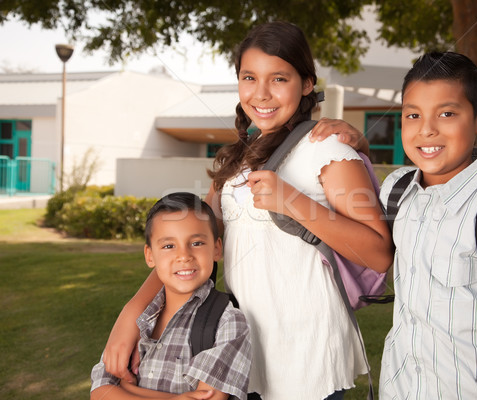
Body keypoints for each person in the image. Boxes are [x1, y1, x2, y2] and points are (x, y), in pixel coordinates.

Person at [100, 21, 394, 400]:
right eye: (249, 77)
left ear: (306, 84)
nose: (261, 93)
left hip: (306, 356)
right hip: (235, 349)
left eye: (279, 79)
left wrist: (294, 203)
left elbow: (379, 253)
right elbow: (191, 242)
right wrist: (131, 315)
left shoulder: (328, 148)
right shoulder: (236, 161)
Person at [314, 51, 477, 399]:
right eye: (413, 115)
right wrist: (362, 146)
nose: (427, 129)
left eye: (447, 113)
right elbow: (370, 240)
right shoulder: (399, 190)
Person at [90, 192, 251, 400]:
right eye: (168, 246)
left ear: (217, 248)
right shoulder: (140, 320)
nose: (184, 256)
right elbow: (99, 393)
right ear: (150, 256)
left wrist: (126, 389)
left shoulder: (227, 322)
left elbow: (209, 397)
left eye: (197, 243)